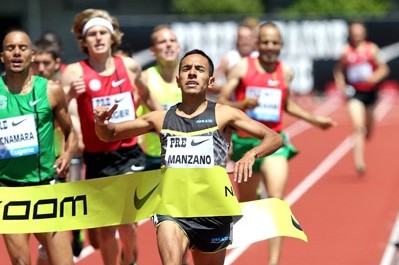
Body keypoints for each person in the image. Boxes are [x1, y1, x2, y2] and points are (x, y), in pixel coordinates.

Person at [93, 48, 283, 265]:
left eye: (199, 69)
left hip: (212, 209)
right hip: (172, 209)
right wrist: (101, 123)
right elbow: (110, 134)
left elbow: (274, 138)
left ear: (210, 81)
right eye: (187, 69)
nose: (192, 73)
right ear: (178, 79)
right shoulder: (160, 118)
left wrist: (251, 154)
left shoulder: (224, 114)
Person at [218, 22, 336, 265]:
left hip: (275, 144)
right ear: (257, 44)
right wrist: (242, 105)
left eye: (274, 42)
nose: (270, 47)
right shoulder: (242, 68)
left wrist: (315, 120)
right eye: (265, 42)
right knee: (247, 206)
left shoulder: (286, 72)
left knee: (277, 201)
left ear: (280, 45)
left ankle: (273, 262)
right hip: (245, 144)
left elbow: (287, 103)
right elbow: (221, 100)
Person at [61, 8, 161, 265]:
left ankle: (129, 260)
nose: (98, 38)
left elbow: (148, 98)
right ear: (84, 41)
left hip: (129, 154)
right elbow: (66, 114)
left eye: (102, 32)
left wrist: (166, 125)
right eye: (92, 34)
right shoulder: (74, 73)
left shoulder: (129, 66)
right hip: (97, 159)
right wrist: (71, 95)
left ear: (112, 37)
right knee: (106, 232)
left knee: (127, 223)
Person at [0, 30, 77, 265]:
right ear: (2, 56)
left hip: (45, 188)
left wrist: (66, 153)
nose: (16, 52)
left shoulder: (51, 90)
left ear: (32, 55)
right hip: (8, 191)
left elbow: (70, 132)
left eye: (22, 48)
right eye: (10, 48)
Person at [32, 38, 86, 262]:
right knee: (43, 237)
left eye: (46, 63)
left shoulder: (61, 92)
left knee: (57, 230)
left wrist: (69, 153)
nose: (41, 68)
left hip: (63, 164)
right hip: (36, 169)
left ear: (56, 64)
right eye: (37, 63)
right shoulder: (26, 92)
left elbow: (76, 134)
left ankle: (77, 235)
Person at [333, 21, 389, 175]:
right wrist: (341, 84)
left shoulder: (372, 49)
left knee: (368, 130)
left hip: (370, 93)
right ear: (350, 34)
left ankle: (364, 136)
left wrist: (374, 77)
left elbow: (384, 68)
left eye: (359, 32)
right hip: (354, 93)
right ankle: (359, 161)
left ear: (363, 33)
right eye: (354, 32)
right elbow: (338, 70)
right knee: (358, 127)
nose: (356, 35)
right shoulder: (346, 51)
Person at [137, 24, 182, 171]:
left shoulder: (191, 79)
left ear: (179, 47)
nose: (168, 44)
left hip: (185, 155)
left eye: (172, 41)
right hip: (153, 157)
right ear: (153, 51)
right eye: (162, 42)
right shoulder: (144, 78)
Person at [211, 17, 260, 100]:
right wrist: (230, 88)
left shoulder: (259, 58)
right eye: (241, 38)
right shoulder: (230, 58)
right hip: (235, 106)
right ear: (237, 40)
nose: (245, 41)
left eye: (249, 38)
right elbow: (210, 84)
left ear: (254, 40)